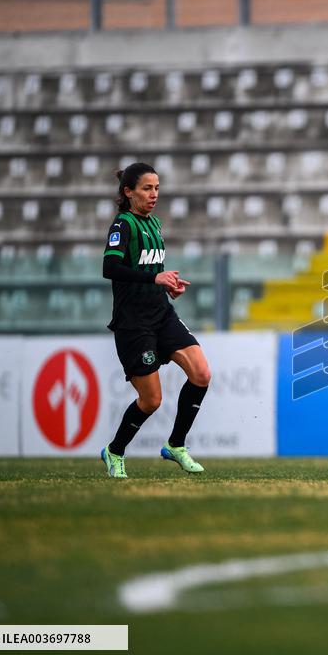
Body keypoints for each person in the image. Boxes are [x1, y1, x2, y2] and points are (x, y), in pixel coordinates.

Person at [100, 162, 211, 478]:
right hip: (133, 323)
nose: (153, 194)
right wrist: (154, 279)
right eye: (147, 188)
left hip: (161, 314)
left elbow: (152, 271)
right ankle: (115, 451)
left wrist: (168, 286)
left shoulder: (155, 224)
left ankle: (176, 445)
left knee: (201, 373)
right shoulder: (123, 225)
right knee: (151, 401)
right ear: (128, 192)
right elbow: (110, 269)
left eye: (157, 188)